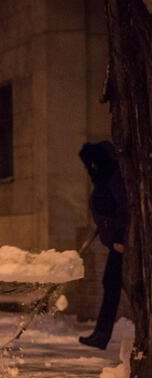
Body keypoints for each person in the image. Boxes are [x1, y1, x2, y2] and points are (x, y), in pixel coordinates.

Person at [78, 141, 128, 350]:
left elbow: (124, 209)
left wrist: (120, 239)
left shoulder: (114, 178)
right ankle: (101, 334)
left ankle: (102, 334)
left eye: (91, 163)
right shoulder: (105, 176)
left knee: (121, 285)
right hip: (117, 243)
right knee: (111, 284)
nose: (89, 168)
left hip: (121, 244)